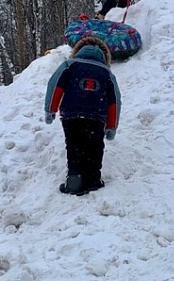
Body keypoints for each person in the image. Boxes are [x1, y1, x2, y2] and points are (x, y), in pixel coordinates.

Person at [44, 36, 121, 196]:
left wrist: (51, 109)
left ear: (78, 51)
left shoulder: (70, 65)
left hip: (72, 114)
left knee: (74, 145)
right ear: (104, 56)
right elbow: (114, 101)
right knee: (95, 147)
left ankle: (75, 180)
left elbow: (55, 85)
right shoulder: (106, 73)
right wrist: (111, 126)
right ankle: (93, 180)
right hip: (96, 116)